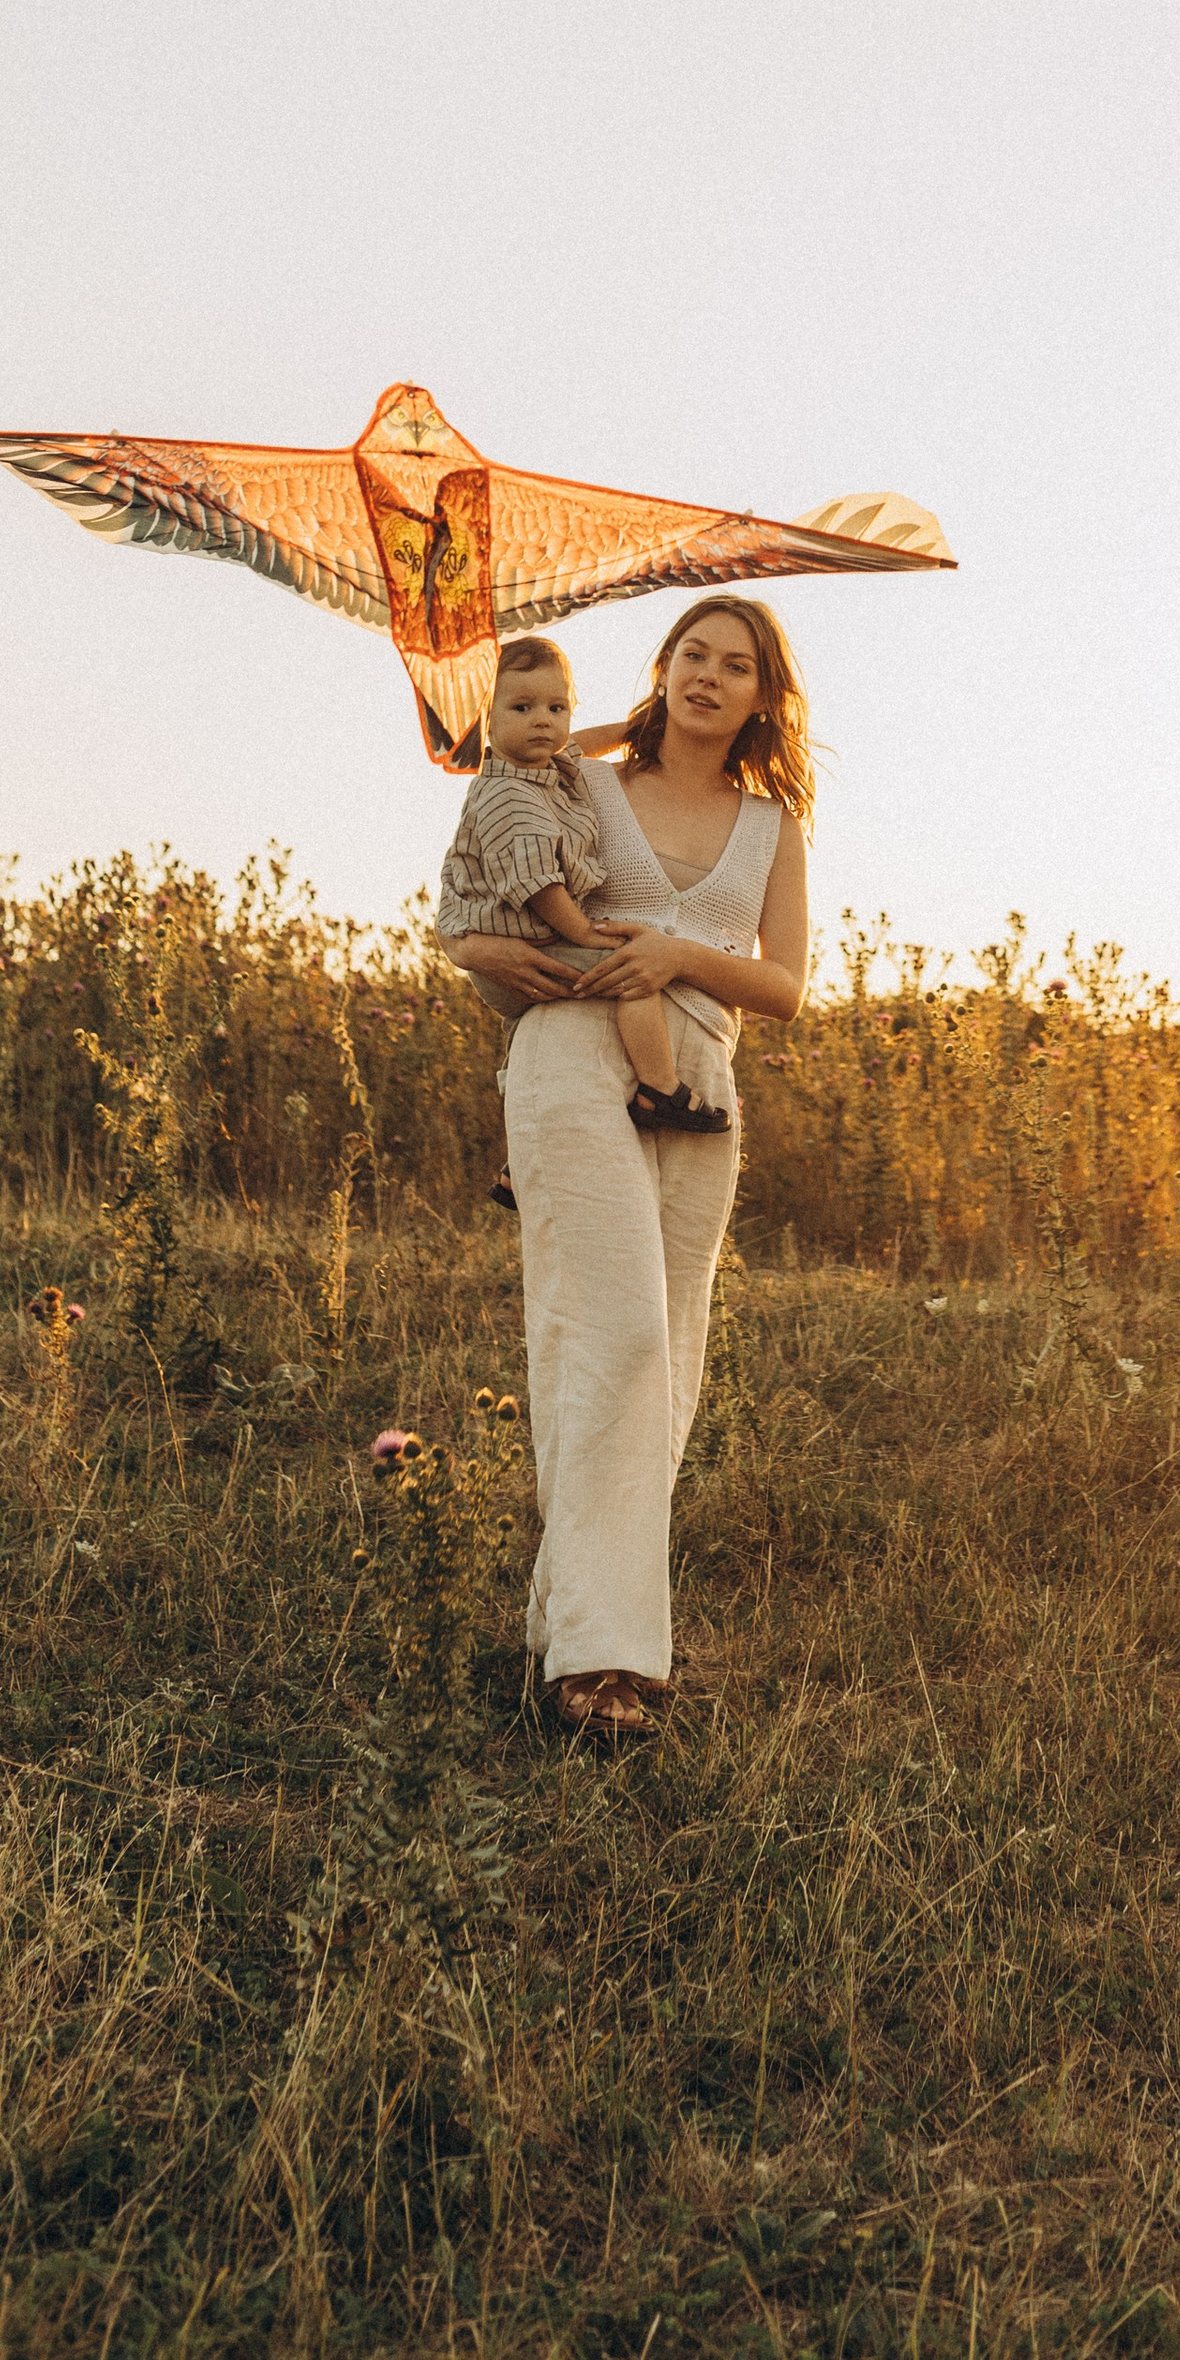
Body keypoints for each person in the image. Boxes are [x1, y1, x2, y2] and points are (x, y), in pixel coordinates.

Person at [442, 597, 812, 1745]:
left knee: (670, 1358)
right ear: (662, 667)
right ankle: (605, 1664)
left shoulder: (773, 826)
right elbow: (482, 845)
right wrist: (466, 946)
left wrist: (679, 954)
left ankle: (571, 1623)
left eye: (734, 665)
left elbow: (785, 987)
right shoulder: (583, 781)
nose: (708, 675)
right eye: (691, 654)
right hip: (571, 1050)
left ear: (763, 695)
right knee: (617, 1333)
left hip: (697, 1079)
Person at [437, 636, 730, 1216]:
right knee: (631, 972)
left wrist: (635, 728)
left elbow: (581, 745)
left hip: (515, 946)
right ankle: (660, 1088)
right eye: (522, 708)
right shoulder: (509, 796)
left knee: (530, 1035)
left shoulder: (544, 768)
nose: (543, 722)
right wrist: (585, 934)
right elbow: (541, 886)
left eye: (557, 707)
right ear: (486, 719)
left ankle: (520, 1159)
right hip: (525, 941)